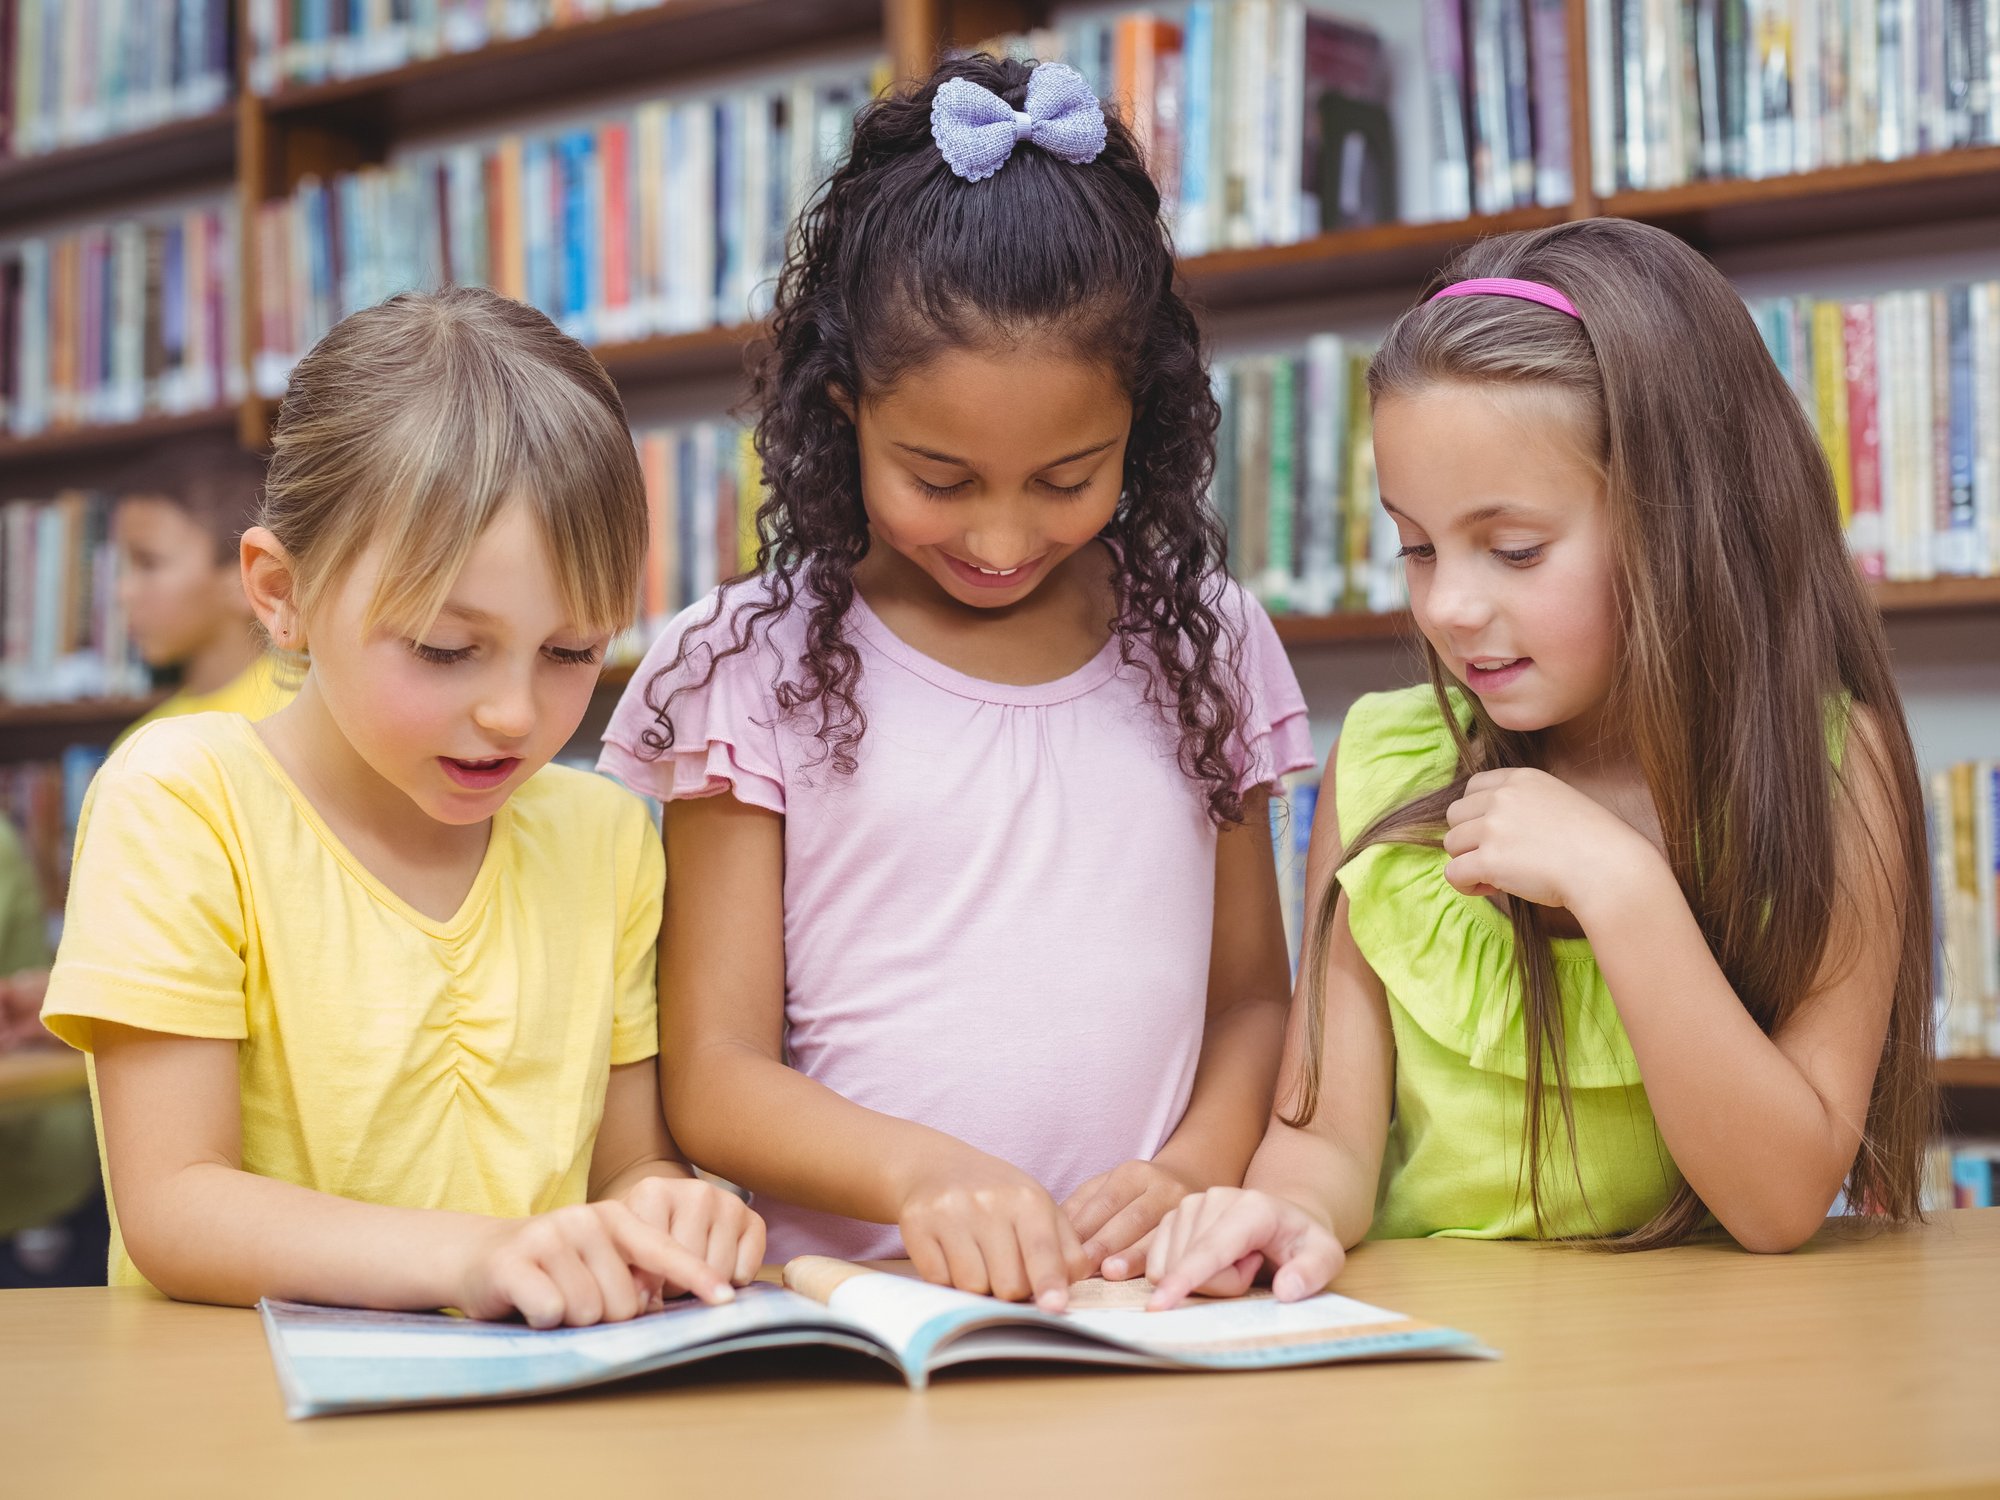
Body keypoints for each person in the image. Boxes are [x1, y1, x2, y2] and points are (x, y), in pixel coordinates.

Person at [600, 56, 1310, 1311]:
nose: (998, 537)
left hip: (1143, 1306)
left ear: (1141, 425)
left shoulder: (1206, 641)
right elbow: (712, 1072)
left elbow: (1251, 996)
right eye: (938, 479)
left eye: (1065, 479)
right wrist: (925, 1177)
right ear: (842, 409)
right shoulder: (747, 662)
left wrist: (1189, 1172)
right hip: (853, 1305)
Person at [1143, 219, 1937, 1309]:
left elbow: (1780, 1201)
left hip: (1703, 1368)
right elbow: (1323, 1139)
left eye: (1513, 550)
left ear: (1684, 522)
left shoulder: (1833, 771)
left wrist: (1620, 887)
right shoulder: (1382, 763)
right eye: (1416, 547)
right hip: (1440, 1363)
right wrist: (1289, 1212)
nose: (1449, 607)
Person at [42, 288, 762, 1326]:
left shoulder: (603, 837)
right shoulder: (182, 801)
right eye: (444, 648)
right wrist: (476, 1258)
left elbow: (627, 1163)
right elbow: (174, 1205)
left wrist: (667, 1206)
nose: (514, 713)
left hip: (540, 1395)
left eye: (571, 651)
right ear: (281, 592)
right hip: (240, 1404)